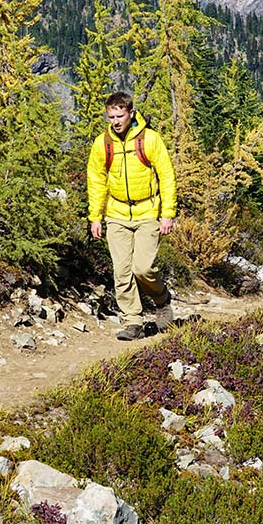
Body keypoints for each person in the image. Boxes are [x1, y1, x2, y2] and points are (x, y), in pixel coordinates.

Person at [87, 92, 176, 340]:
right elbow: (96, 181)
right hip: (116, 214)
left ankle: (162, 300)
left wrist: (167, 214)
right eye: (111, 116)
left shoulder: (150, 139)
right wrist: (96, 217)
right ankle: (133, 321)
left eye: (120, 115)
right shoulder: (102, 143)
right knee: (122, 271)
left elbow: (166, 176)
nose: (115, 121)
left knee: (143, 268)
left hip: (148, 212)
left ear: (131, 113)